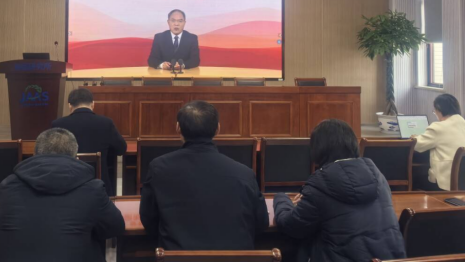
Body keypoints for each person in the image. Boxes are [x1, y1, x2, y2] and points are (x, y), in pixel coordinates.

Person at [140, 100, 268, 250]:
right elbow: (261, 223)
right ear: (218, 129)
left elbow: (148, 219)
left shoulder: (158, 168)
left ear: (178, 128)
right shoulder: (245, 173)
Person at [274, 119, 406, 262]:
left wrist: (282, 198)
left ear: (317, 150)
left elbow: (292, 226)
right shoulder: (378, 176)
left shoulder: (321, 184)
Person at [0, 128, 125, 262]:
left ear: (34, 155)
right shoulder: (93, 189)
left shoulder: (7, 187)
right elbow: (115, 227)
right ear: (76, 157)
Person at [51, 87, 126, 196]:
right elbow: (121, 149)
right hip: (100, 186)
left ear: (69, 105)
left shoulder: (58, 124)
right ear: (93, 104)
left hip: (67, 186)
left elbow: (52, 153)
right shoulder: (106, 123)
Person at [412, 94, 465, 191]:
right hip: (462, 185)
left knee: (414, 180)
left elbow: (417, 146)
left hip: (445, 184)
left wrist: (414, 137)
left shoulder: (438, 127)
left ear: (439, 110)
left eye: (434, 111)